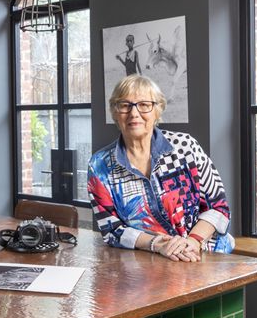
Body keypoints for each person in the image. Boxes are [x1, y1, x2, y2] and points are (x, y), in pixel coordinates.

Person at [87, 75, 232, 261]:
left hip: (207, 256)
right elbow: (112, 230)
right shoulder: (100, 166)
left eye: (144, 105)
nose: (134, 113)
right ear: (115, 112)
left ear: (158, 110)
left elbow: (218, 207)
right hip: (150, 263)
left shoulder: (185, 147)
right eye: (124, 105)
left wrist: (193, 241)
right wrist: (157, 244)